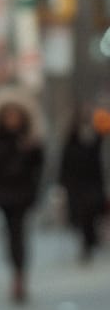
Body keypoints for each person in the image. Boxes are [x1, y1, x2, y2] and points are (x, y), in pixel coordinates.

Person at [0, 95, 44, 303]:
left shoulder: (28, 139)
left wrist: (30, 149)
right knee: (10, 236)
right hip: (5, 196)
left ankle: (19, 276)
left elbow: (38, 165)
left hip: (23, 195)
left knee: (19, 236)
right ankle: (16, 273)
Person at [59, 106, 106, 262]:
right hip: (77, 186)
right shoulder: (71, 140)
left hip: (92, 184)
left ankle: (90, 242)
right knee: (82, 216)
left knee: (91, 214)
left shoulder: (96, 138)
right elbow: (65, 163)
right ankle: (87, 245)